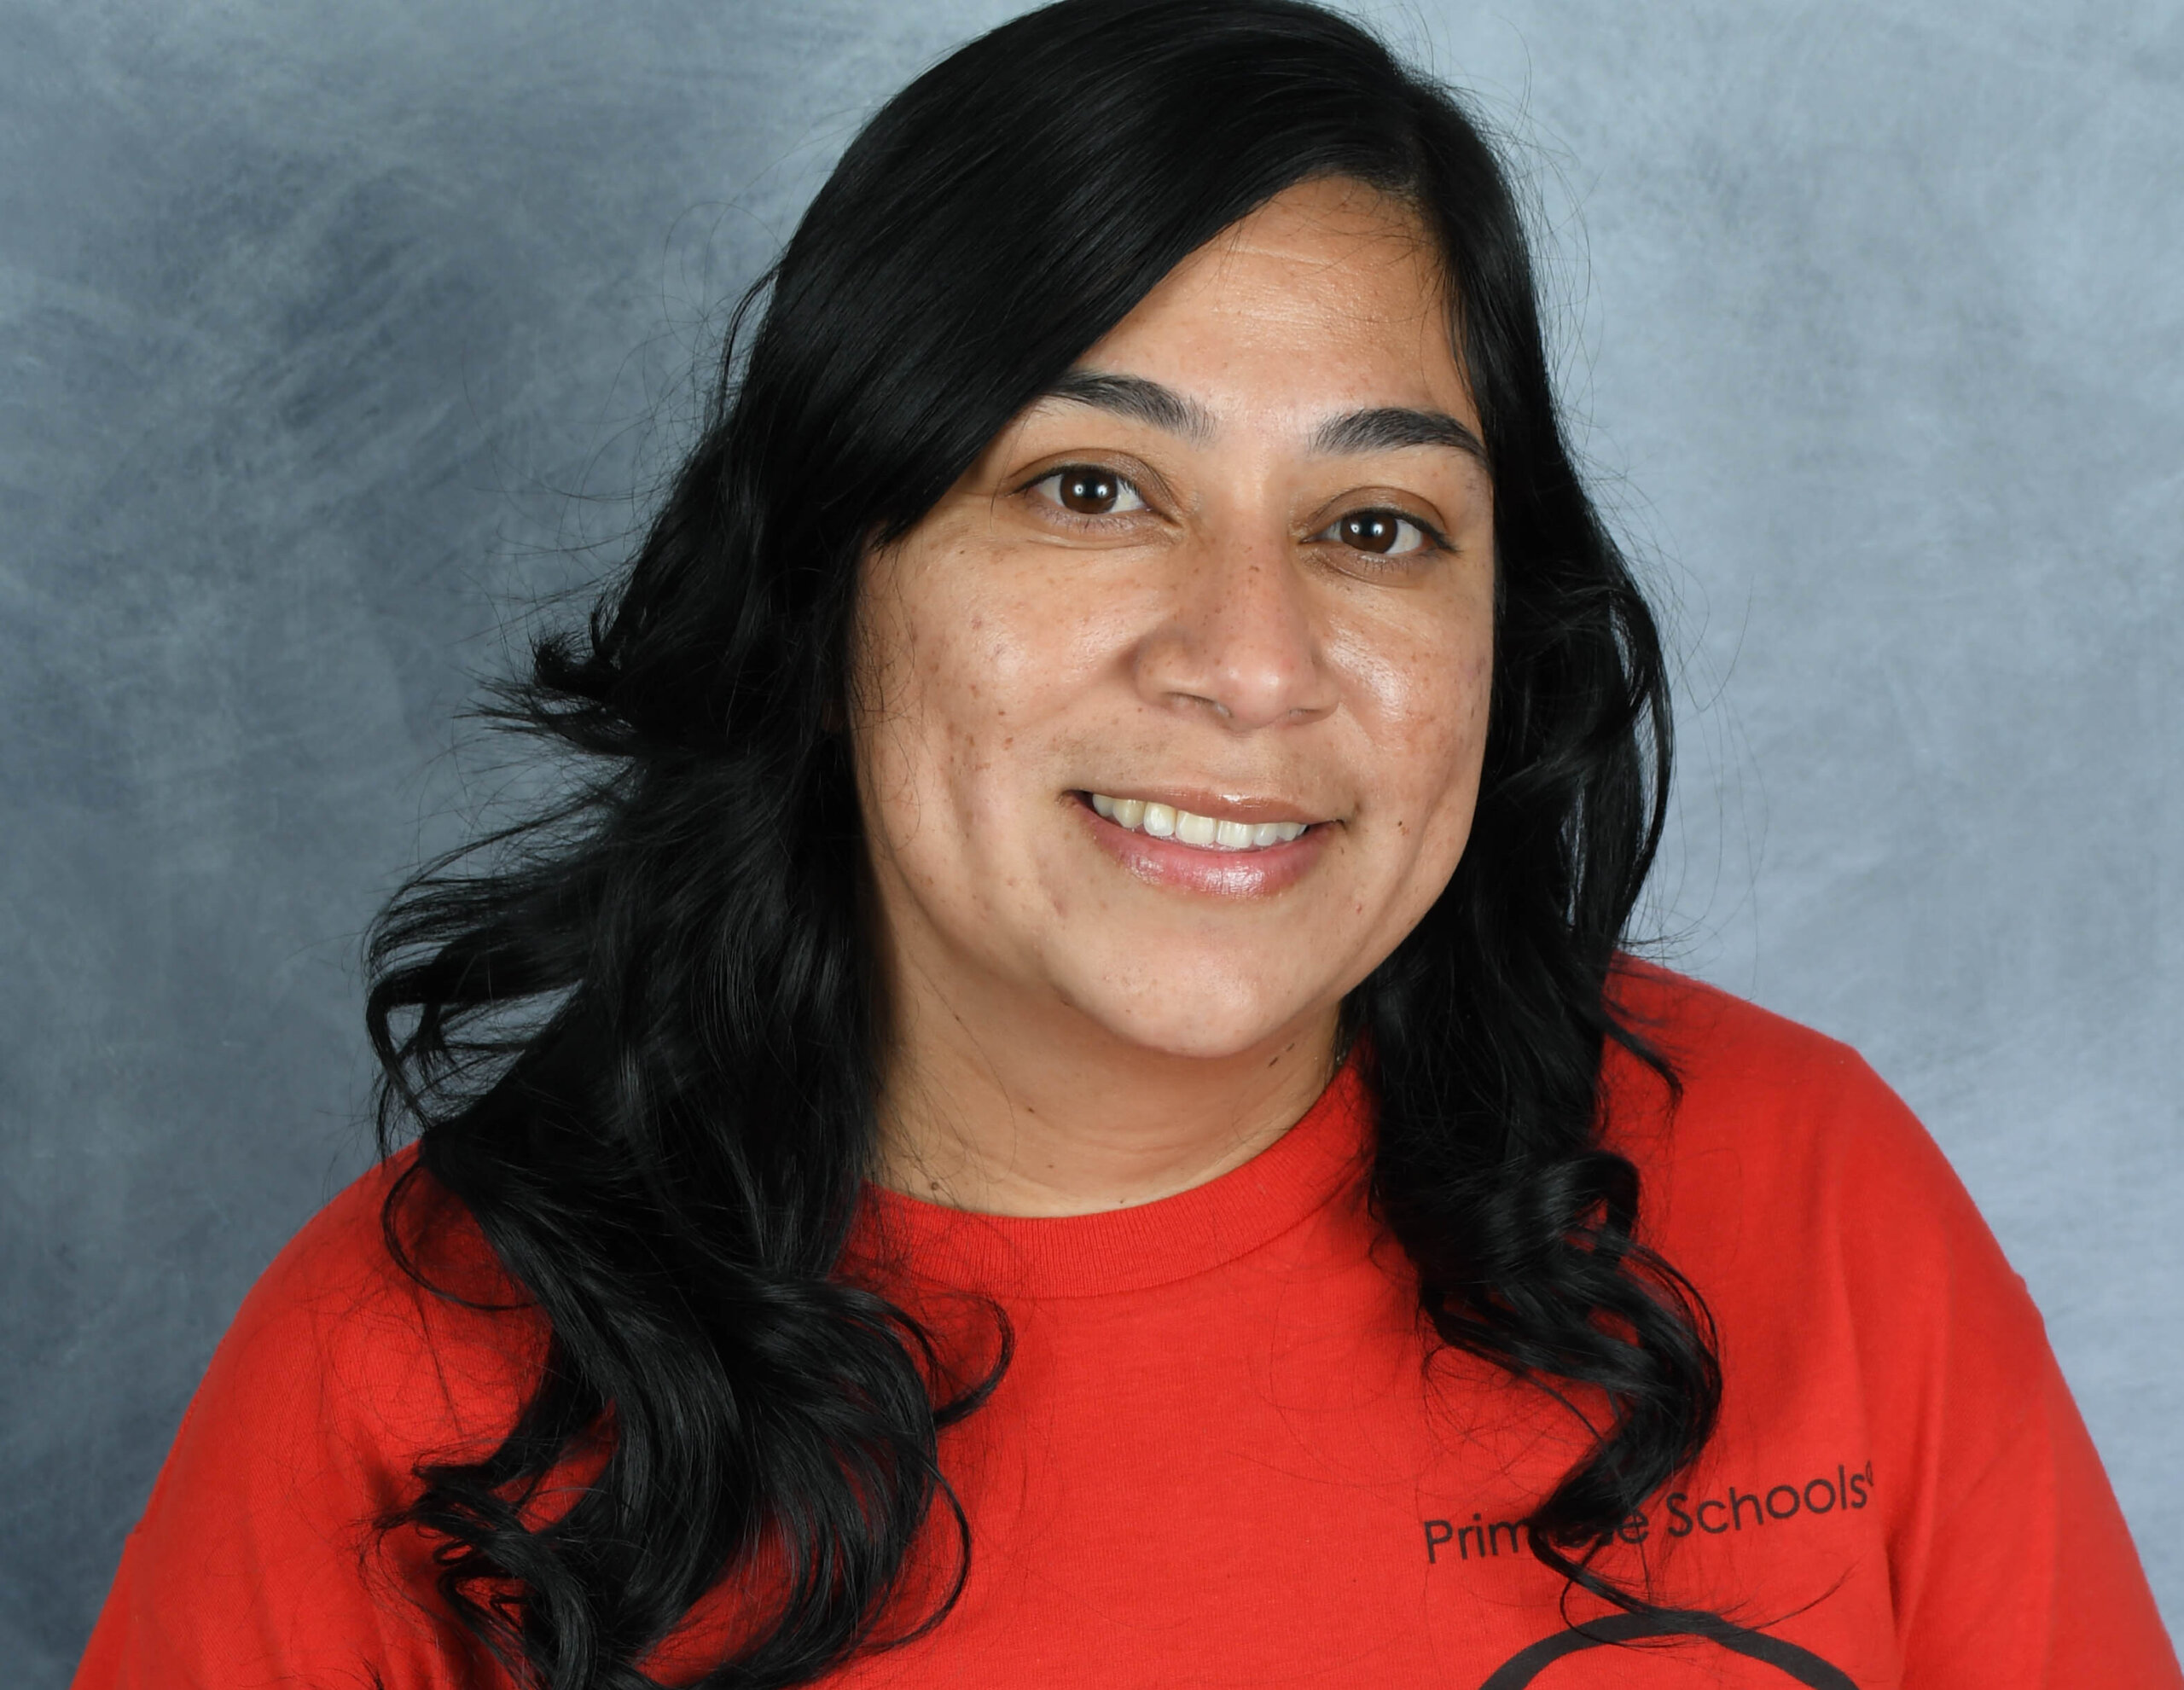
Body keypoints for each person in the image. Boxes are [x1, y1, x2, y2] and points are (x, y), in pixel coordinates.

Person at [72, 2, 2178, 1686]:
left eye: (1374, 525)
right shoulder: (401, 1390)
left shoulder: (1807, 1196)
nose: (1249, 663)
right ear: (823, 590)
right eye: (1087, 489)